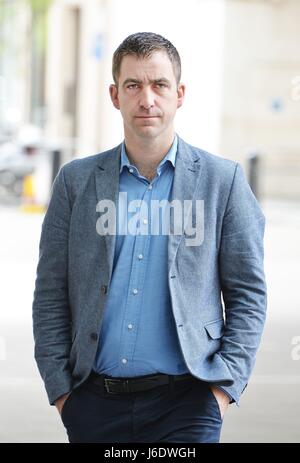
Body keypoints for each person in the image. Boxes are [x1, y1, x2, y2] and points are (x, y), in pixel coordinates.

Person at [32, 32, 267, 443]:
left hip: (188, 404)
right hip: (93, 404)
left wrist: (222, 392)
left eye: (159, 85)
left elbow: (248, 293)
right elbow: (50, 292)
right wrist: (62, 392)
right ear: (114, 94)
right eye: (133, 85)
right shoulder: (76, 182)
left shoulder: (222, 182)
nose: (147, 99)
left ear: (179, 93)